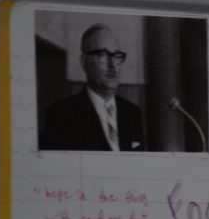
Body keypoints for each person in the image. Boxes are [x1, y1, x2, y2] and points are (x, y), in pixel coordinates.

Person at [40, 23, 145, 151]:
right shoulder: (61, 114)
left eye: (116, 56)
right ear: (84, 62)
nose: (112, 65)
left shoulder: (132, 113)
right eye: (102, 55)